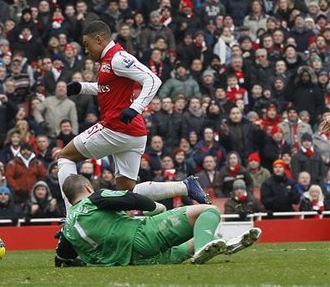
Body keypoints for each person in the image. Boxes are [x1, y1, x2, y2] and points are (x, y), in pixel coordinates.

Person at [58, 21, 209, 211]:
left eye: (87, 45)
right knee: (126, 193)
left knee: (64, 157)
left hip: (116, 127)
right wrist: (82, 87)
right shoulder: (109, 61)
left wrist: (136, 107)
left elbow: (153, 79)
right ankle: (185, 186)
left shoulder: (118, 59)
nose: (86, 51)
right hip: (133, 132)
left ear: (99, 40)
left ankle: (72, 215)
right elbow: (109, 89)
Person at [55, 175, 262, 267]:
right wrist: (158, 209)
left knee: (189, 246)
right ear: (88, 188)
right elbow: (130, 197)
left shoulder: (67, 229)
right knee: (208, 211)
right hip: (142, 237)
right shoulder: (94, 198)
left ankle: (224, 245)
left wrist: (77, 263)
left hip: (133, 262)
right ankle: (208, 245)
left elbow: (62, 260)